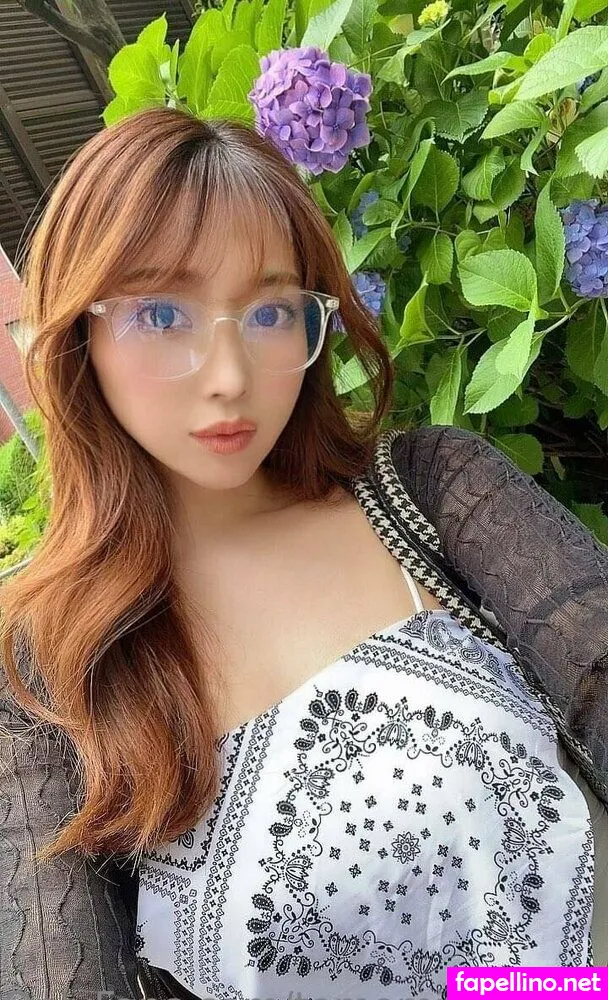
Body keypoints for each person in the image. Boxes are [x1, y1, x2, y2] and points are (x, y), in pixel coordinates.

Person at [0, 105, 607, 1000]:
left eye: (271, 310)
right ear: (78, 334)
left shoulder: (430, 492)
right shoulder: (45, 669)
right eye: (162, 313)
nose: (230, 376)